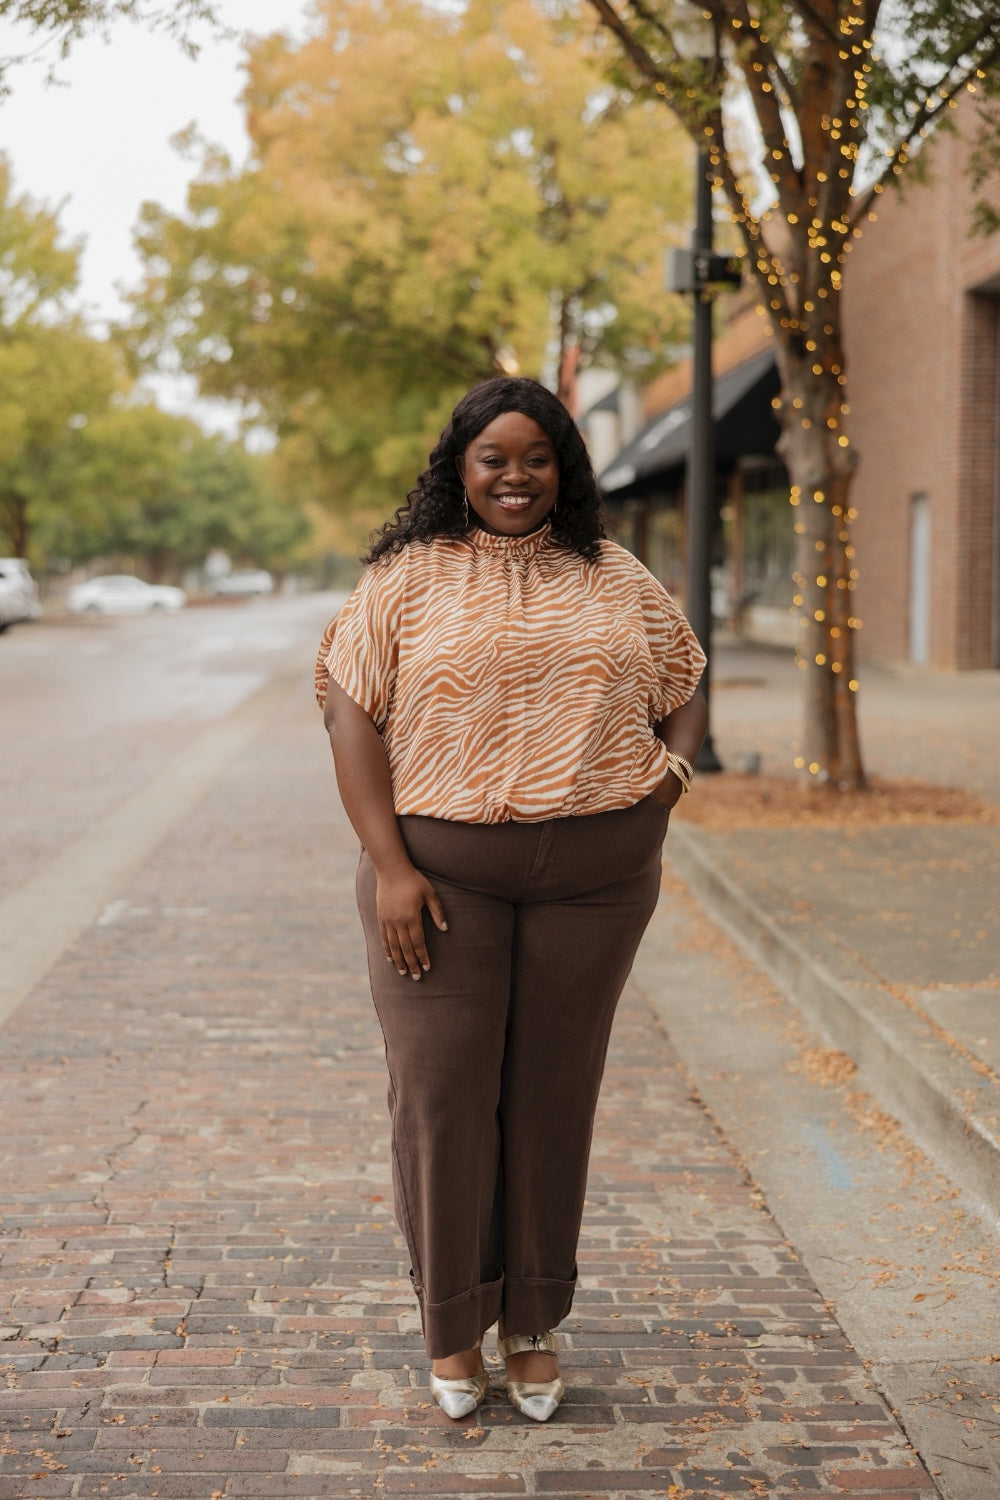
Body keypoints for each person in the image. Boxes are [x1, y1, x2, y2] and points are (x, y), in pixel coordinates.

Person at [315, 375, 707, 1423]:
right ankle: (452, 1323)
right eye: (494, 457)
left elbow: (682, 678)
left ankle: (532, 1319)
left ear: (563, 470)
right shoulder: (405, 579)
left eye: (536, 457)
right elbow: (350, 718)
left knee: (551, 1095)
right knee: (443, 1099)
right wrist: (393, 868)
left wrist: (667, 783)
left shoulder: (616, 574)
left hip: (598, 881)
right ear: (460, 468)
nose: (516, 476)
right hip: (442, 882)